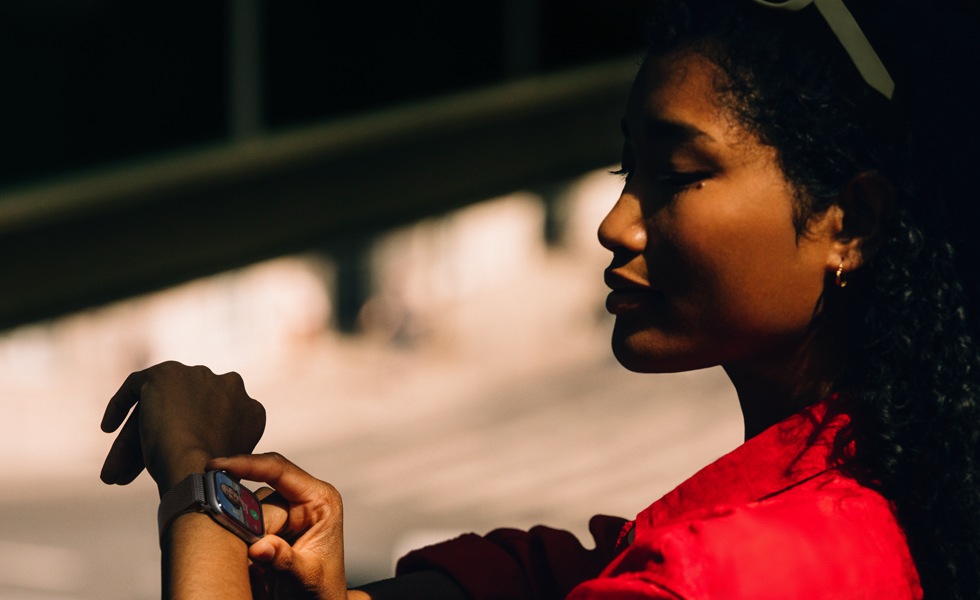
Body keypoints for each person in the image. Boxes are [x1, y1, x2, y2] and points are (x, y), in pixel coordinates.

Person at [100, 0, 980, 598]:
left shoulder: (722, 571)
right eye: (624, 169)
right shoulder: (890, 480)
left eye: (675, 176)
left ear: (849, 223)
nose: (614, 224)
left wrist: (200, 480)